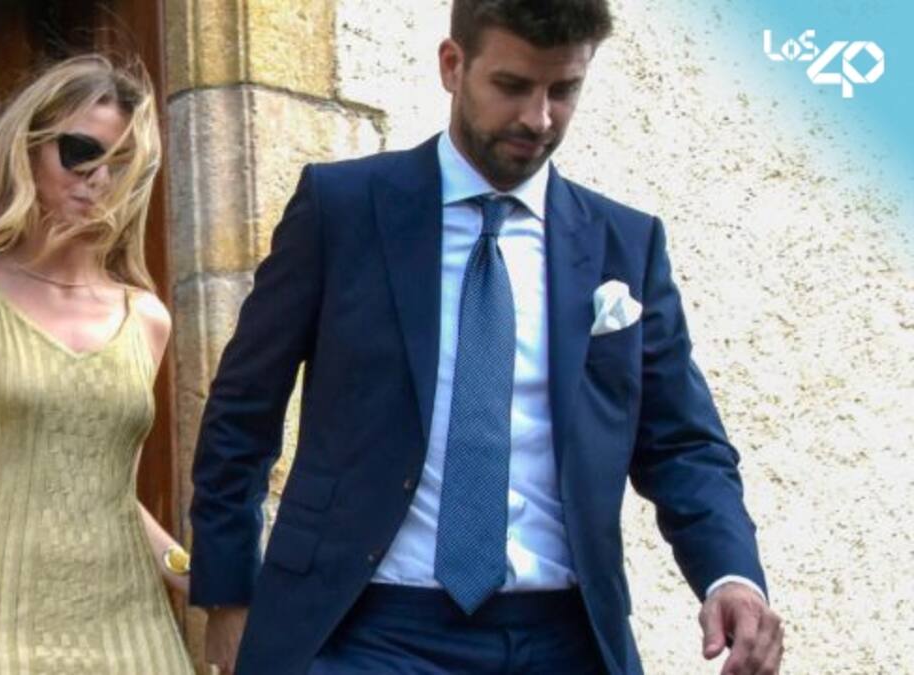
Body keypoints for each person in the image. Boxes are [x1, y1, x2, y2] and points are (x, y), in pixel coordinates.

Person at [189, 1, 785, 673]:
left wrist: (731, 575)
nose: (539, 118)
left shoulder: (625, 244)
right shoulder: (343, 210)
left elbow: (682, 445)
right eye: (512, 86)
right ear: (453, 65)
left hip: (563, 637)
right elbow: (243, 409)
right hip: (365, 631)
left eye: (563, 90)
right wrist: (228, 593)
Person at [0, 55, 192, 674]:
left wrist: (192, 573)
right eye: (80, 152)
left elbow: (107, 490)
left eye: (121, 164)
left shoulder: (146, 318)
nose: (98, 178)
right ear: (28, 151)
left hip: (128, 623)